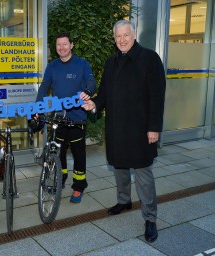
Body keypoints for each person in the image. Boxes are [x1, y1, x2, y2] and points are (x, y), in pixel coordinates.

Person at [81, 20, 166, 242]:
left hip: (140, 128)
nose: (122, 40)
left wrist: (154, 128)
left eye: (126, 35)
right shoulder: (111, 62)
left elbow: (157, 96)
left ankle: (150, 219)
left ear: (134, 34)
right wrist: (95, 105)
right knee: (119, 166)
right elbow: (105, 93)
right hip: (117, 127)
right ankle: (124, 200)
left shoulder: (149, 58)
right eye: (118, 36)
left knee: (143, 174)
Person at [35, 32, 96, 203]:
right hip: (58, 117)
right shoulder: (52, 66)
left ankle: (79, 186)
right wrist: (38, 107)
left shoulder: (81, 64)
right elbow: (44, 87)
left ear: (71, 45)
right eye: (58, 45)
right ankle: (60, 179)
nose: (61, 48)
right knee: (58, 151)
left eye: (64, 44)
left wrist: (88, 92)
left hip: (77, 118)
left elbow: (91, 82)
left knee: (79, 154)